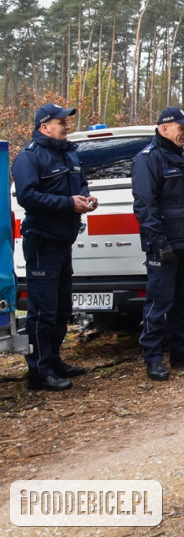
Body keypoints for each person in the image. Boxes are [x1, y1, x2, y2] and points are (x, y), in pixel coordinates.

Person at [12, 104, 97, 391]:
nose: (66, 125)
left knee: (62, 308)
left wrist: (86, 199)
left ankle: (54, 359)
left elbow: (80, 186)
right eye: (61, 122)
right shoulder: (29, 157)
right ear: (44, 126)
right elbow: (27, 197)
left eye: (66, 121)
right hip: (42, 241)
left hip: (63, 240)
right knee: (42, 310)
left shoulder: (69, 153)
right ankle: (38, 372)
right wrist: (67, 204)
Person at [132, 107, 184, 381]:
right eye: (182, 128)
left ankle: (182, 352)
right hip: (163, 246)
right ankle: (153, 359)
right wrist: (158, 243)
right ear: (164, 128)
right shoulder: (148, 160)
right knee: (159, 303)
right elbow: (146, 207)